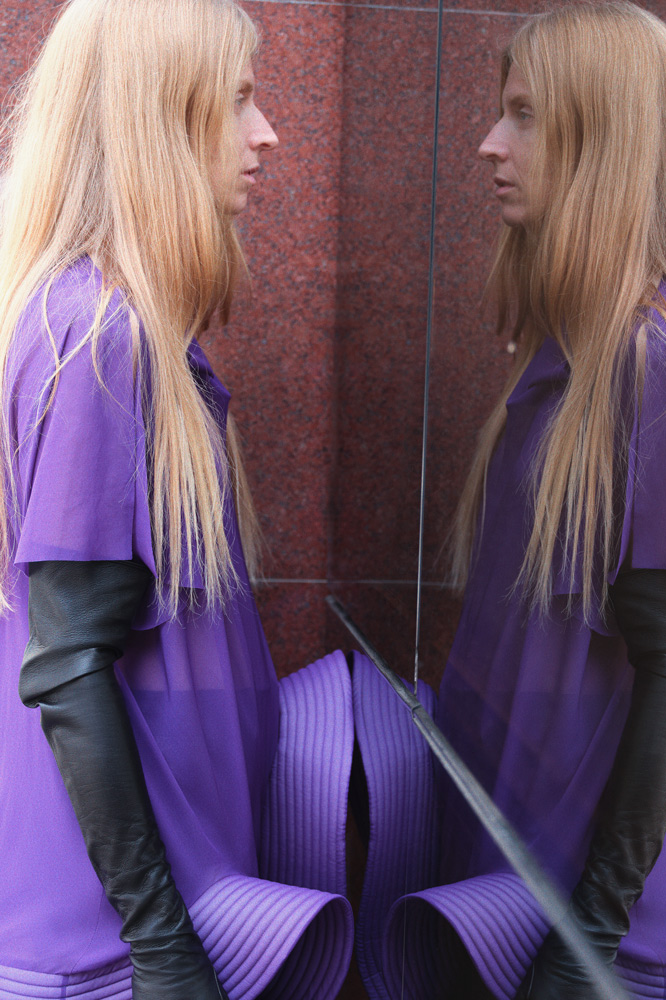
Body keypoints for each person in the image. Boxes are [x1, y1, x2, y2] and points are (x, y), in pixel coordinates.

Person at [354, 3, 666, 999]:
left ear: (604, 138)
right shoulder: (571, 353)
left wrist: (585, 940)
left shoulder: (665, 355)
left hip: (610, 939)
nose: (486, 143)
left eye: (522, 115)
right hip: (518, 891)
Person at [0, 1, 353, 998]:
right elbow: (68, 666)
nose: (266, 132)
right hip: (110, 951)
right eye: (237, 99)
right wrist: (163, 950)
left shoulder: (132, 331)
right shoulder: (99, 335)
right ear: (158, 120)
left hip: (151, 921)